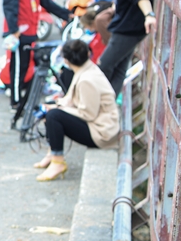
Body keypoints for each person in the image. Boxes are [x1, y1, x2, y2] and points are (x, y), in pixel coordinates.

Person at [34, 38, 118, 181]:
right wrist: (56, 105)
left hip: (101, 132)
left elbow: (88, 114)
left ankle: (57, 161)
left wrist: (57, 109)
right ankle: (52, 153)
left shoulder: (86, 80)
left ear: (66, 60)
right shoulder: (87, 69)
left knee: (54, 116)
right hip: (100, 125)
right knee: (53, 110)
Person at [1, 0, 71, 108]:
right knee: (17, 69)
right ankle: (16, 103)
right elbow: (9, 3)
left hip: (31, 31)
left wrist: (66, 14)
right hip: (19, 32)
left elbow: (46, 2)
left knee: (26, 67)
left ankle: (24, 100)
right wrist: (14, 29)